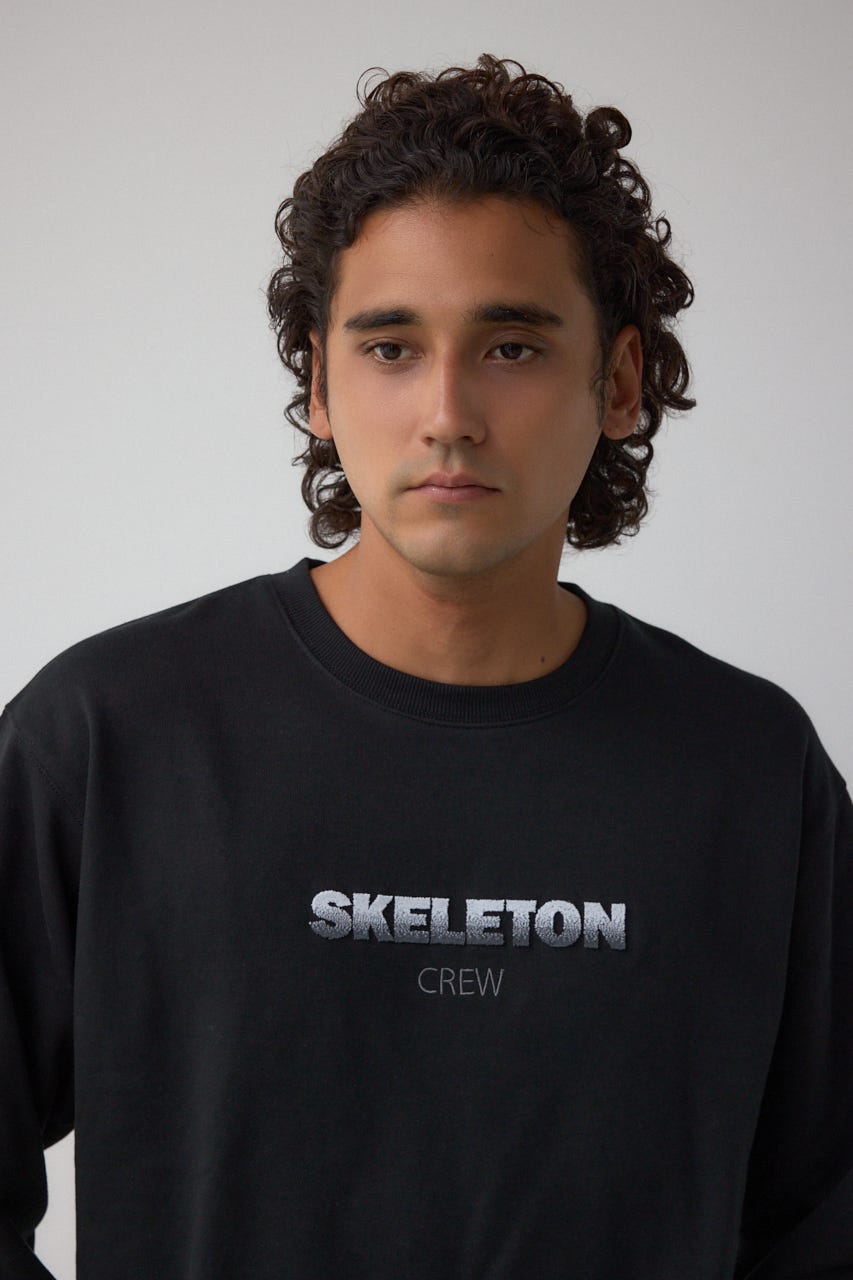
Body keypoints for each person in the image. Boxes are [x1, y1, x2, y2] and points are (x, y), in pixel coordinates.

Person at [1, 52, 850, 1280]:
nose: (447, 411)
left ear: (618, 381)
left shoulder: (750, 770)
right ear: (318, 385)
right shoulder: (107, 738)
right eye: (392, 348)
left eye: (510, 347)